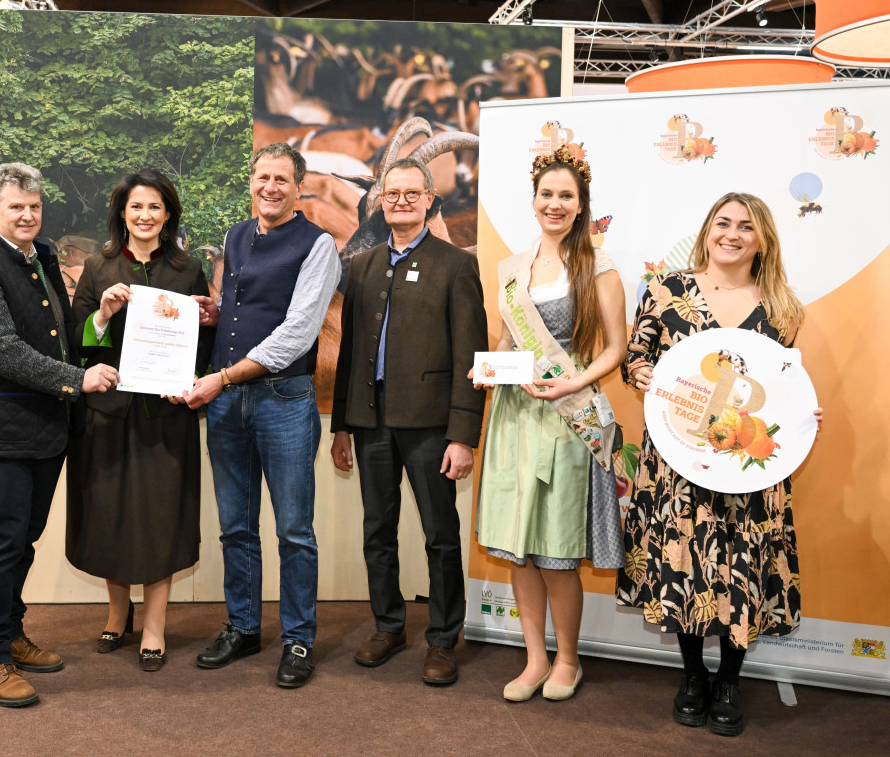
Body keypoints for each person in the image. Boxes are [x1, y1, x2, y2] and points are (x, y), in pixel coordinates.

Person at [617, 192, 823, 736]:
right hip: (679, 462)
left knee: (742, 566)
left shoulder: (782, 307)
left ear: (763, 241)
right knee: (683, 562)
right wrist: (642, 376)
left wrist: (801, 412)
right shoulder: (666, 292)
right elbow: (636, 359)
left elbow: (779, 388)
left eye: (746, 228)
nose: (731, 234)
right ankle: (692, 675)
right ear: (708, 229)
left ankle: (730, 679)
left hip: (747, 467)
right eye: (723, 223)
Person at [0, 162, 118, 707]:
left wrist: (101, 319)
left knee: (24, 539)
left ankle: (11, 635)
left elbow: (64, 336)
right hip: (5, 428)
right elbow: (1, 351)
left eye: (35, 206)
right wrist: (78, 380)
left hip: (48, 427)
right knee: (3, 541)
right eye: (16, 207)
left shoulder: (42, 256)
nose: (27, 215)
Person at [185, 142, 342, 689]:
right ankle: (244, 626)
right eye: (261, 177)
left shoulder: (319, 245)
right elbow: (244, 307)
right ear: (250, 182)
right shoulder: (235, 235)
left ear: (299, 187)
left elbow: (297, 332)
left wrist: (222, 379)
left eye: (281, 178)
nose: (269, 187)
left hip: (283, 399)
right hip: (228, 402)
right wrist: (215, 312)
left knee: (295, 531)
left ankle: (298, 637)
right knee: (236, 527)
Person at [473, 146, 627, 702]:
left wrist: (572, 381)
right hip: (516, 416)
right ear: (533, 200)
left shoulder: (598, 267)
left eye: (567, 196)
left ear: (581, 205)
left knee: (556, 548)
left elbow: (616, 349)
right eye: (547, 194)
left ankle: (568, 659)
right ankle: (533, 657)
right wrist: (489, 368)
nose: (555, 204)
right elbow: (508, 341)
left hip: (567, 416)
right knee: (520, 544)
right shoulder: (512, 269)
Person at [330, 157, 487, 685]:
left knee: (441, 536)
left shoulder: (456, 265)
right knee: (378, 530)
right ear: (379, 200)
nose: (399, 201)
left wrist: (463, 435)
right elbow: (351, 350)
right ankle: (389, 625)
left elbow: (471, 353)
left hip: (430, 428)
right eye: (390, 194)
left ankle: (443, 639)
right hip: (370, 424)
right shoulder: (363, 265)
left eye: (410, 193)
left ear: (429, 200)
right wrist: (342, 428)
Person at [66, 169, 215, 672]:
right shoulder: (97, 266)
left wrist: (196, 363)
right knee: (110, 517)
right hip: (108, 418)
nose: (145, 216)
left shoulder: (189, 269)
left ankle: (154, 626)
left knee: (159, 521)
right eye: (136, 207)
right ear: (121, 214)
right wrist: (103, 315)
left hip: (165, 419)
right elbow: (78, 342)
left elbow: (206, 347)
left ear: (168, 213)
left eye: (154, 207)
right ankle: (116, 613)